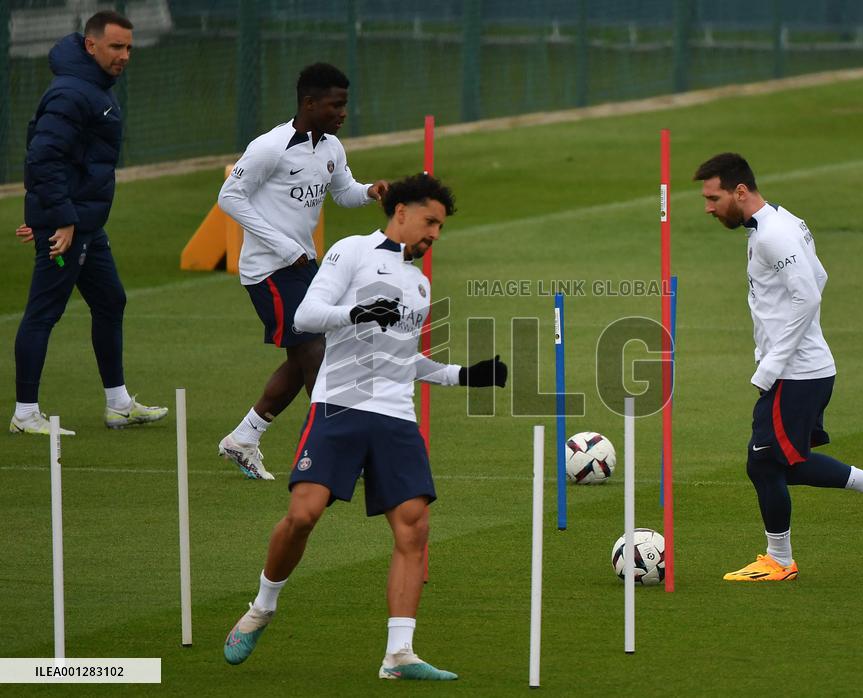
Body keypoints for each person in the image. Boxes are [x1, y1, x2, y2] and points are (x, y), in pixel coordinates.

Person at [223, 174, 506, 680]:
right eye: (430, 222)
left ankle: (399, 654)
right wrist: (356, 312)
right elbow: (307, 315)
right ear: (400, 212)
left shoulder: (421, 284)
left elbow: (404, 360)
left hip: (397, 415)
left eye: (440, 226)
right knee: (304, 515)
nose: (435, 235)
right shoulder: (350, 251)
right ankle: (262, 607)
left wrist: (465, 375)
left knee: (414, 526)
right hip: (340, 405)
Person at [693, 152, 863, 582]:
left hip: (795, 374)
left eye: (714, 198)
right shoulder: (784, 221)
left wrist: (772, 362)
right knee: (782, 463)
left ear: (740, 191)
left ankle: (780, 560)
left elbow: (809, 294)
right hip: (806, 370)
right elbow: (820, 276)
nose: (708, 208)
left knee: (763, 463)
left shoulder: (774, 234)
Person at [216, 62, 389, 480]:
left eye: (345, 104)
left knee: (303, 357)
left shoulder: (331, 147)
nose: (343, 113)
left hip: (304, 267)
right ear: (309, 103)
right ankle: (337, 451)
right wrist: (281, 244)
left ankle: (243, 438)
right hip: (269, 271)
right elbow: (229, 197)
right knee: (316, 352)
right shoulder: (270, 147)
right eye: (336, 104)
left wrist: (370, 192)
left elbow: (343, 192)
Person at [11, 11, 167, 436]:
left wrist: (44, 215)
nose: (125, 56)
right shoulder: (71, 93)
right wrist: (56, 220)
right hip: (69, 227)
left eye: (129, 47)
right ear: (90, 45)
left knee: (111, 301)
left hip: (84, 225)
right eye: (116, 47)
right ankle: (25, 413)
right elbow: (42, 156)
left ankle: (118, 404)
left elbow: (51, 152)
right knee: (44, 312)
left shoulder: (94, 88)